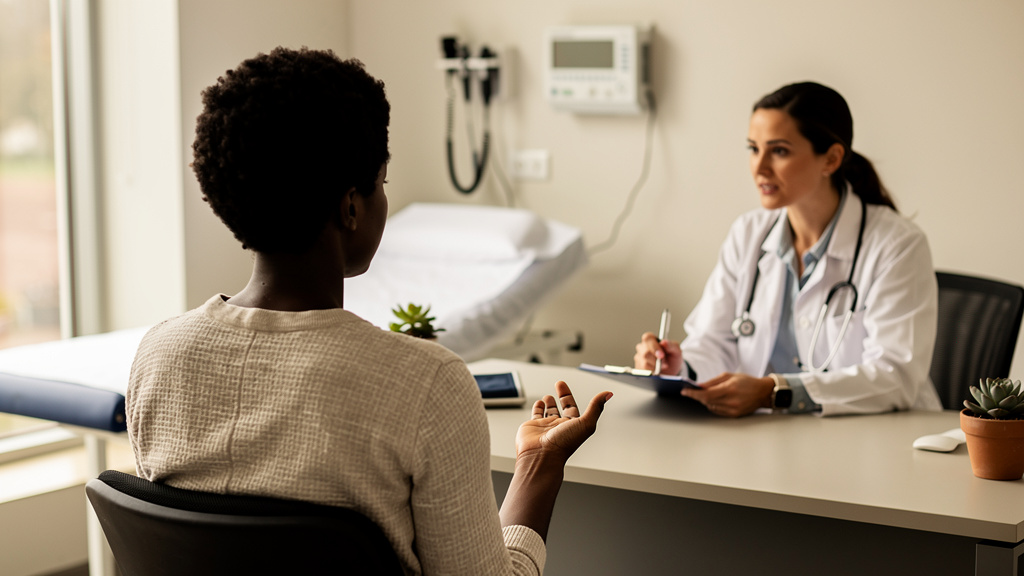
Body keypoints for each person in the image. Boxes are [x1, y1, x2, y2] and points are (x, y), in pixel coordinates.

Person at [126, 47, 612, 575]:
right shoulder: (428, 384)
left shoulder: (159, 356)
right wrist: (539, 465)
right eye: (382, 183)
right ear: (351, 206)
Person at [634, 81, 941, 417]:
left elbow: (895, 375)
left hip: (872, 439)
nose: (760, 167)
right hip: (765, 438)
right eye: (753, 148)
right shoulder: (748, 234)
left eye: (779, 151)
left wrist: (775, 392)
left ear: (831, 159)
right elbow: (713, 341)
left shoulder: (896, 245)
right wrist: (681, 366)